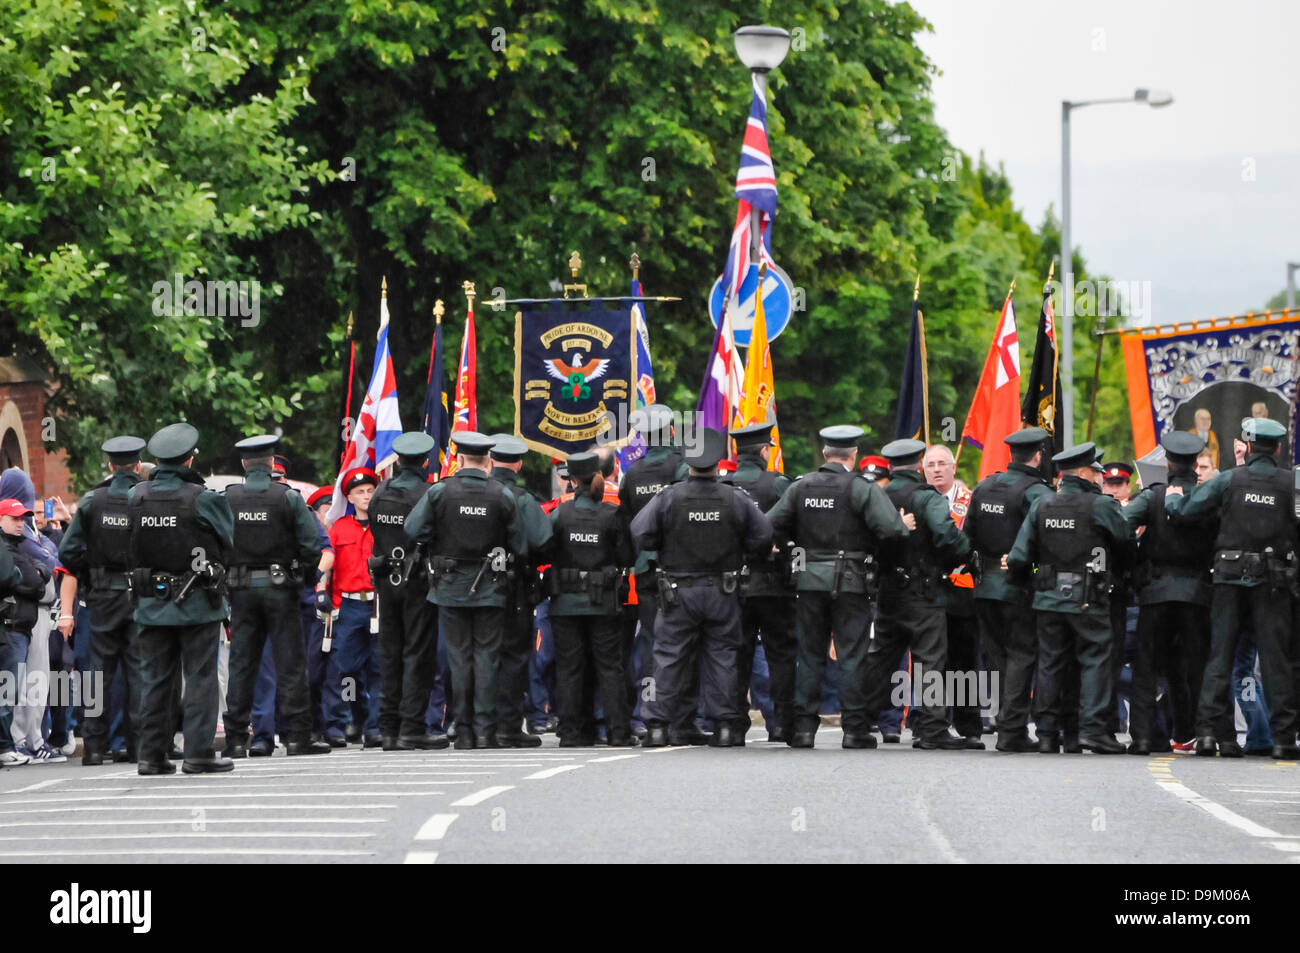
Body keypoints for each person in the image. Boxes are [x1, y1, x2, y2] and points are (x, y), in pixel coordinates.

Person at [1165, 417, 1300, 759]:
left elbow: (1186, 510)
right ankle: (1284, 739)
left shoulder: (1229, 480)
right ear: (1279, 448)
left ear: (1249, 447)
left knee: (1220, 656)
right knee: (1276, 660)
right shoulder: (1291, 483)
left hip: (1228, 577)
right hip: (1274, 581)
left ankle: (1209, 734)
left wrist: (1172, 498)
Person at [767, 425, 908, 749]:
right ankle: (855, 729)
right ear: (854, 454)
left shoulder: (801, 487)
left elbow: (768, 524)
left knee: (810, 654)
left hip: (807, 580)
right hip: (851, 581)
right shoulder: (860, 488)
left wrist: (791, 551)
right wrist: (874, 554)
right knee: (852, 655)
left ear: (826, 453)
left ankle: (803, 729)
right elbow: (893, 530)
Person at [631, 427, 772, 748]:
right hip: (723, 590)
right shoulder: (734, 497)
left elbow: (640, 533)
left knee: (667, 657)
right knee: (722, 656)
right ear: (718, 462)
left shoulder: (669, 497)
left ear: (689, 462)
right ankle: (723, 727)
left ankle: (656, 727)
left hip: (677, 590)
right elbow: (763, 535)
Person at [1006, 442, 1132, 755]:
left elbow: (1020, 556)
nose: (1101, 478)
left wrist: (1033, 584)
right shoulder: (1101, 505)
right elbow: (1128, 547)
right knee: (1095, 660)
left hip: (1047, 597)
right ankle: (1092, 730)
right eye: (1097, 472)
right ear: (1086, 472)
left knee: (1050, 663)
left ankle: (1048, 734)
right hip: (1088, 597)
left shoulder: (1043, 504)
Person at [405, 431, 528, 749]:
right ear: (488, 461)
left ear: (459, 459)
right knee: (487, 658)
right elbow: (519, 543)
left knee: (458, 658)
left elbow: (413, 529)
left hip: (449, 586)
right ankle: (486, 730)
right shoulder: (502, 494)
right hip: (491, 586)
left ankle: (463, 730)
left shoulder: (440, 492)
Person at [127, 423, 235, 774]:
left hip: (151, 602)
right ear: (190, 460)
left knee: (155, 679)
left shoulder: (136, 496)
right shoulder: (204, 498)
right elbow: (228, 542)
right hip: (197, 603)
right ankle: (198, 753)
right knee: (201, 676)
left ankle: (151, 756)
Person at [221, 434, 329, 759]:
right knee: (291, 664)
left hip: (241, 590)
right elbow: (313, 546)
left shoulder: (228, 498)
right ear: (271, 464)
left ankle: (237, 739)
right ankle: (298, 738)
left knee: (242, 665)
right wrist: (304, 581)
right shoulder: (288, 498)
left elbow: (216, 543)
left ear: (243, 464)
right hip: (282, 589)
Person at [864, 438, 975, 749]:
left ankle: (857, 722)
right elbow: (947, 536)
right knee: (930, 660)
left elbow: (866, 538)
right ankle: (932, 729)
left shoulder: (879, 496)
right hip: (925, 592)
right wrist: (963, 553)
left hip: (888, 591)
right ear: (918, 465)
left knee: (880, 660)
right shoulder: (927, 497)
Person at [1122, 431, 1215, 755]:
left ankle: (1144, 737)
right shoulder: (1208, 497)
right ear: (1194, 466)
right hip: (1197, 594)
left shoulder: (1152, 497)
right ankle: (1204, 735)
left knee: (1146, 668)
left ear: (1168, 464)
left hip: (1156, 593)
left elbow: (1121, 524)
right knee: (1199, 667)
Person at [57, 436, 148, 765]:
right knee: (139, 673)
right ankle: (139, 746)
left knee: (97, 674)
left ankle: (94, 747)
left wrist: (93, 568)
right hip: (140, 595)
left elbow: (66, 552)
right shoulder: (147, 498)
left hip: (102, 596)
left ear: (111, 466)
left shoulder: (92, 501)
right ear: (138, 466)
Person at [962, 427, 1053, 752]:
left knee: (997, 657)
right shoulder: (1037, 493)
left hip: (984, 586)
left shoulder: (985, 486)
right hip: (1018, 586)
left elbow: (966, 537)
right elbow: (1047, 539)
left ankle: (1005, 722)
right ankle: (1011, 730)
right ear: (1038, 456)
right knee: (1021, 655)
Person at [546, 451, 636, 746]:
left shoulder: (559, 513)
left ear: (572, 480)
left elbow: (544, 550)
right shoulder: (612, 514)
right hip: (603, 602)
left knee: (571, 669)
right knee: (610, 668)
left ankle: (573, 733)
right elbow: (627, 557)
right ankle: (618, 732)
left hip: (566, 603)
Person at [367, 432, 448, 750]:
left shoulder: (380, 493)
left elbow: (374, 529)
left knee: (389, 653)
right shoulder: (429, 495)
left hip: (387, 581)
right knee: (417, 653)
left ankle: (388, 727)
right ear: (426, 462)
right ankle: (412, 728)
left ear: (398, 461)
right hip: (417, 582)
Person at [722, 422, 796, 743]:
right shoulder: (778, 485)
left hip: (732, 587)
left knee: (736, 655)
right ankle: (781, 723)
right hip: (774, 585)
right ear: (765, 451)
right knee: (780, 655)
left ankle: (734, 725)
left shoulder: (723, 487)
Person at [487, 434, 552, 748]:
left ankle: (475, 725)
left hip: (471, 588)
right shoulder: (522, 498)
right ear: (519, 464)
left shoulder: (473, 493)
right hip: (513, 589)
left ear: (490, 460)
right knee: (513, 656)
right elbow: (543, 542)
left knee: (474, 656)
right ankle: (508, 726)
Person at [923, 443, 984, 744]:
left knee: (964, 659)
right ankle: (929, 723)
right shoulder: (917, 500)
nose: (936, 469)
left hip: (961, 592)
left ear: (952, 467)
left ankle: (969, 724)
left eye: (941, 464)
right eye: (930, 464)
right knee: (930, 660)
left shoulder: (970, 501)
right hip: (926, 591)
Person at [317, 467, 382, 747]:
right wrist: (321, 589)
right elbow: (328, 564)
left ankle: (375, 726)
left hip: (378, 605)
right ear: (350, 497)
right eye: (360, 492)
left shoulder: (384, 525)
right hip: (348, 606)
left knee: (379, 668)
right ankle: (349, 718)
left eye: (370, 491)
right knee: (346, 670)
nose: (366, 496)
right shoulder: (340, 528)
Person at [0, 499, 45, 767]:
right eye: (15, 518)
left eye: (23, 519)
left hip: (16, 629)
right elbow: (24, 580)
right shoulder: (5, 548)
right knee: (7, 692)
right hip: (9, 629)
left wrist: (30, 575)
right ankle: (5, 747)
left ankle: (6, 745)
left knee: (9, 692)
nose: (21, 524)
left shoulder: (15, 547)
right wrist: (27, 575)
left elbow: (37, 581)